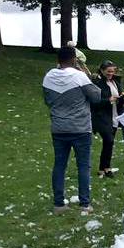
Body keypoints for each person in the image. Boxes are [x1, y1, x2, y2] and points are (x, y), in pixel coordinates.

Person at [42, 42, 102, 213]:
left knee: (59, 165)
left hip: (59, 128)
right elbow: (97, 97)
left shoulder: (49, 77)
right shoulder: (79, 76)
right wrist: (89, 78)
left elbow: (47, 100)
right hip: (80, 128)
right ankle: (84, 204)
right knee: (83, 166)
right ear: (74, 60)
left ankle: (59, 204)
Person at [90, 61, 124, 177]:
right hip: (102, 117)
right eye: (108, 71)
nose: (111, 73)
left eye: (112, 71)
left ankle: (104, 168)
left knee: (109, 143)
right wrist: (108, 100)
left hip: (114, 116)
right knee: (109, 140)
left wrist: (123, 97)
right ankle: (105, 167)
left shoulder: (115, 82)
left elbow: (120, 100)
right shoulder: (97, 83)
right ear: (102, 70)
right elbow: (94, 101)